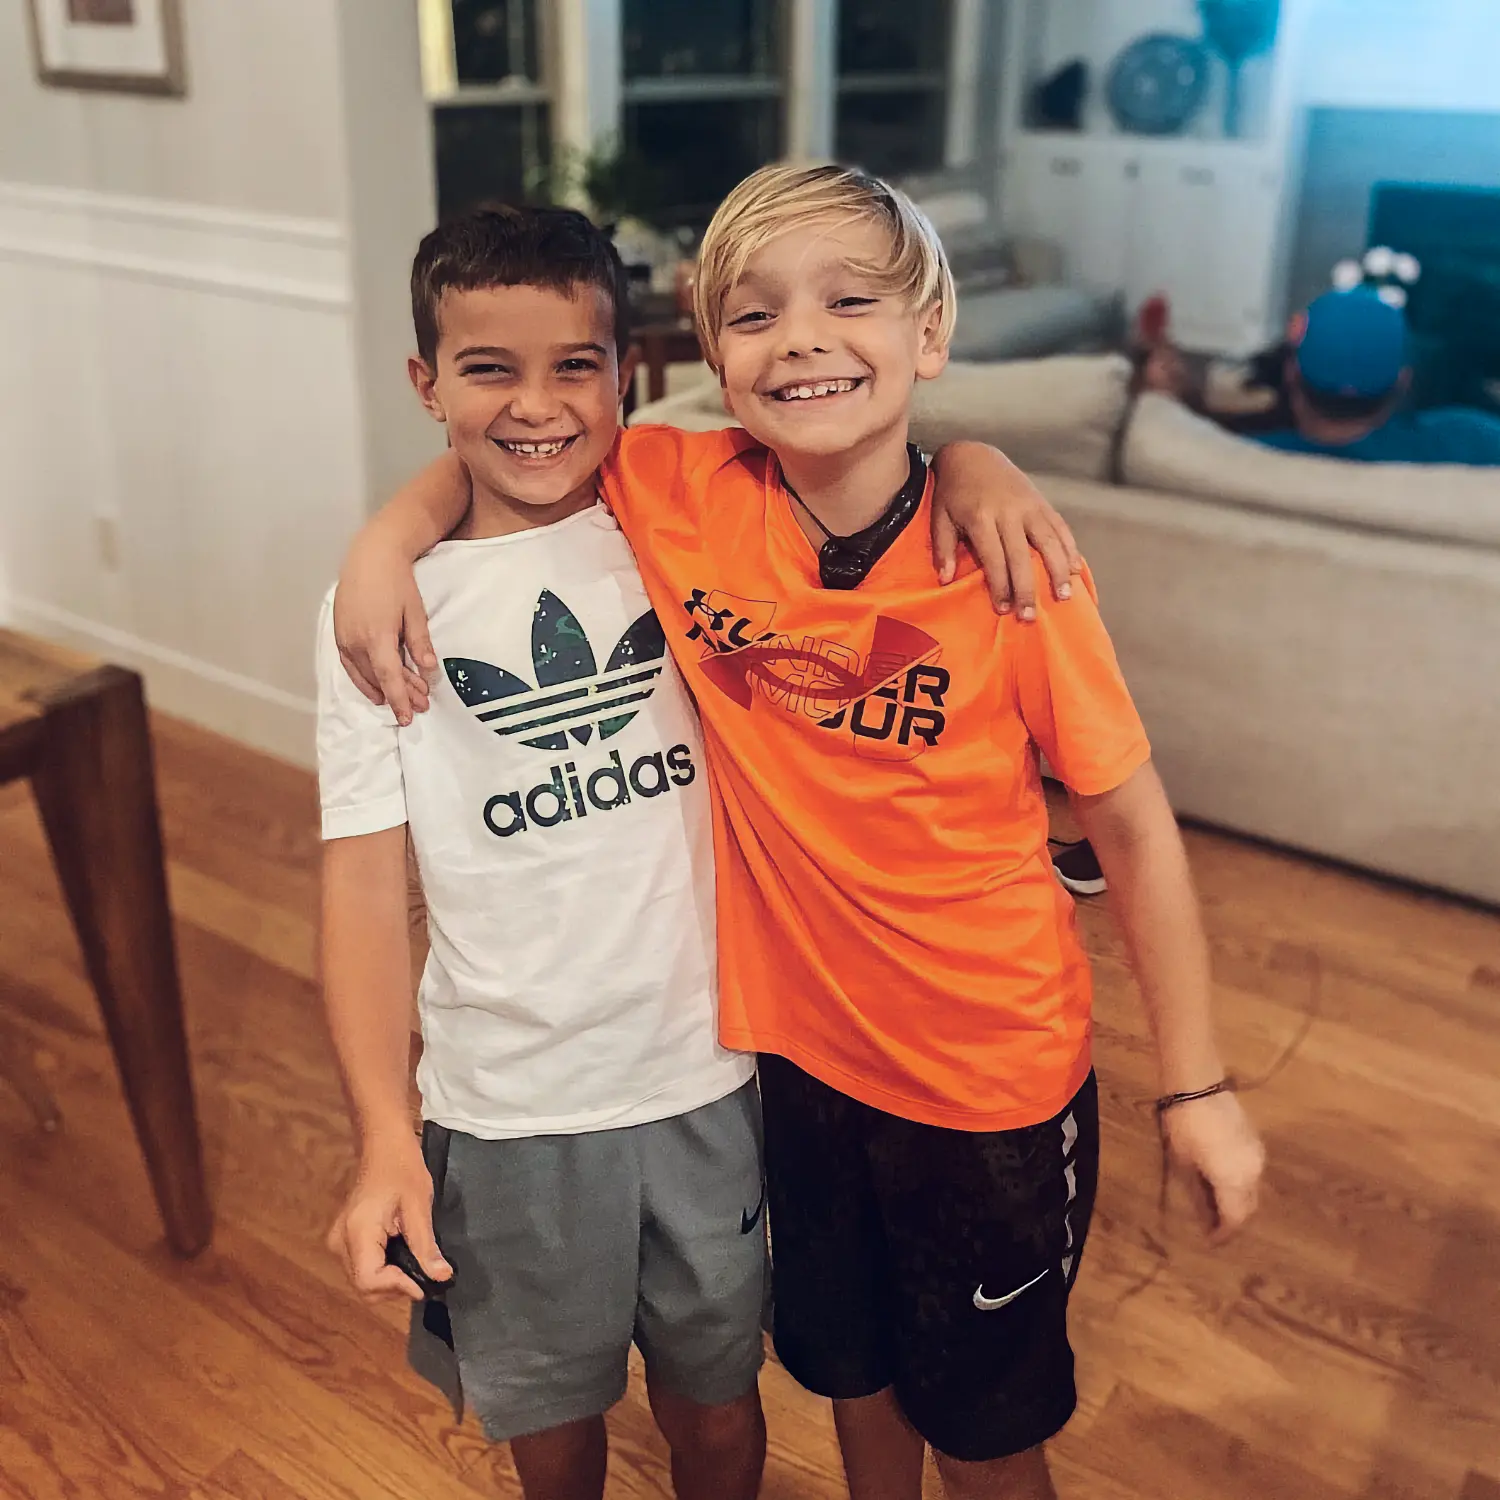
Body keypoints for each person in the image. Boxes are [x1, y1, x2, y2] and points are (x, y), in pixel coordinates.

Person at [335, 166, 1265, 1500]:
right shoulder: (673, 488)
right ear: (711, 353)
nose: (806, 338)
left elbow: (1133, 828)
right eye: (756, 314)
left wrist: (1201, 1088)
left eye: (851, 301)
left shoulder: (1008, 568)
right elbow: (503, 442)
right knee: (854, 1385)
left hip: (988, 1087)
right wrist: (386, 539)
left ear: (929, 334)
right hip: (796, 1075)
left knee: (990, 1441)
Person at [1141, 285, 1500, 465]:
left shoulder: (1238, 458)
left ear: (1291, 373)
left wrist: (1171, 402)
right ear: (1403, 382)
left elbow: (1195, 435)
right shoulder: (1471, 442)